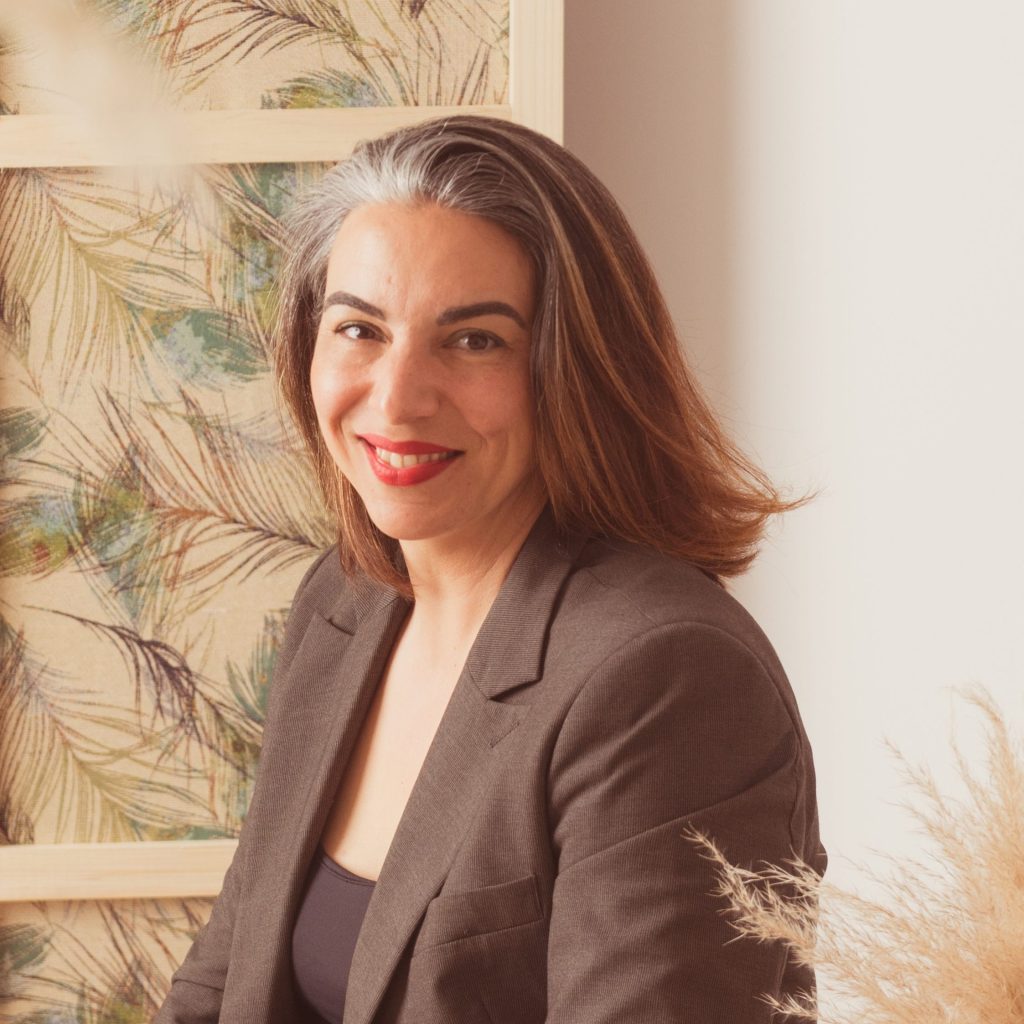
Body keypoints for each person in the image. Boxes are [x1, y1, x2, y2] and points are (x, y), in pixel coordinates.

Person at [155, 113, 827, 1024]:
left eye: (474, 340)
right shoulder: (343, 601)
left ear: (574, 368)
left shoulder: (664, 676)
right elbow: (223, 984)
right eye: (359, 329)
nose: (397, 398)